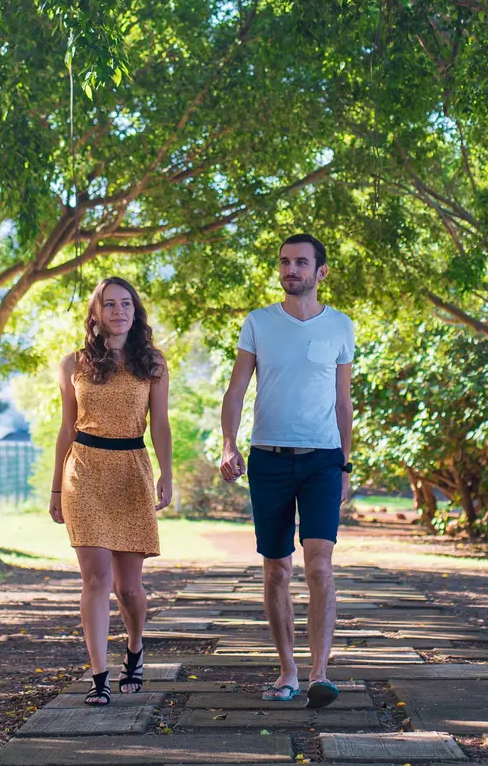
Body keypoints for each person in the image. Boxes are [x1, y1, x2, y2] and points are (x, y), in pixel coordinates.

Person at [218, 233, 355, 708]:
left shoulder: (341, 326)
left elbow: (343, 401)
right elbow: (236, 391)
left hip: (322, 459)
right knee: (276, 569)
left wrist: (346, 465)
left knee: (320, 563)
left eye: (300, 262)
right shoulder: (259, 323)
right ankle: (287, 671)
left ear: (321, 272)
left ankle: (320, 672)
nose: (290, 270)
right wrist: (228, 444)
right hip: (269, 459)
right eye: (284, 262)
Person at [49, 276, 174, 705]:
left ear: (135, 312)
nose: (118, 311)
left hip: (131, 471)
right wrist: (54, 491)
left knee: (128, 589)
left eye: (126, 304)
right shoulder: (73, 364)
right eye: (109, 304)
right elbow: (67, 428)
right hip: (83, 470)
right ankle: (99, 677)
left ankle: (135, 647)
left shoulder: (152, 363)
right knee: (95, 579)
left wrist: (167, 473)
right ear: (96, 313)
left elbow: (159, 424)